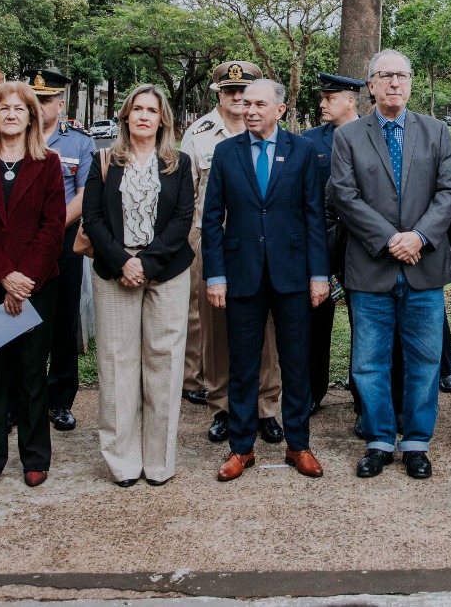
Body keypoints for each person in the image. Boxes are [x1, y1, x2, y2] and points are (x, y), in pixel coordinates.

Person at [330, 50, 451, 479]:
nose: (394, 83)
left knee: (424, 360)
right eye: (385, 76)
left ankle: (418, 442)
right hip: (371, 266)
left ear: (410, 83)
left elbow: (449, 191)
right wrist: (389, 239)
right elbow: (344, 197)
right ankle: (380, 440)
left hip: (424, 264)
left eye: (401, 76)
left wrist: (419, 236)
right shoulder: (349, 136)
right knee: (369, 361)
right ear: (370, 85)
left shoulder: (437, 130)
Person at [201, 78, 329, 481]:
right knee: (243, 365)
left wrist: (319, 274)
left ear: (280, 110)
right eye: (245, 103)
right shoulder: (226, 152)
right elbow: (211, 219)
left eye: (259, 103)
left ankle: (299, 445)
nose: (249, 109)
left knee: (295, 363)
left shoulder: (304, 150)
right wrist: (216, 274)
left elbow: (315, 216)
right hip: (241, 275)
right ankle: (241, 449)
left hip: (293, 274)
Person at [0, 80, 68, 489]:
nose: (12, 115)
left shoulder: (48, 161)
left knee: (32, 372)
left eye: (20, 109)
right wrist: (4, 276)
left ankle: (35, 457)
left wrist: (23, 281)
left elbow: (53, 226)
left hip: (38, 285)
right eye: (4, 108)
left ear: (32, 117)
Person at [82, 83, 196, 487]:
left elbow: (183, 220)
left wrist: (145, 263)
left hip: (166, 270)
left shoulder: (178, 163)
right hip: (115, 271)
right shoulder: (103, 162)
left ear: (163, 118)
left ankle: (158, 462)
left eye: (152, 110)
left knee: (163, 364)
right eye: (137, 109)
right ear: (126, 117)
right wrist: (123, 262)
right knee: (117, 365)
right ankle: (122, 461)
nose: (144, 116)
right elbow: (93, 218)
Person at [181, 61, 284, 445]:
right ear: (218, 94)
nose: (239, 99)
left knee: (267, 332)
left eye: (247, 92)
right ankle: (222, 406)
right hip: (214, 245)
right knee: (217, 330)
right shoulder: (200, 134)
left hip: (262, 247)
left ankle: (265, 407)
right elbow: (186, 194)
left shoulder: (273, 131)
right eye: (230, 92)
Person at [27, 69, 95, 434]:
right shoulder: (14, 136)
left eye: (46, 100)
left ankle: (60, 401)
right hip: (21, 246)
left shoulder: (80, 143)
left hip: (64, 243)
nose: (39, 107)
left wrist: (51, 232)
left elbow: (84, 196)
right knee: (19, 319)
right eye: (34, 100)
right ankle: (20, 399)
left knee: (63, 322)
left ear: (60, 103)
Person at [301, 71, 363, 415]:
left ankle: (361, 392)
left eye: (329, 98)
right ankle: (313, 391)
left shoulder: (371, 135)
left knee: (364, 322)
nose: (322, 104)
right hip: (320, 245)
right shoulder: (310, 140)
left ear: (350, 100)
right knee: (316, 322)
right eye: (322, 98)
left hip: (359, 245)